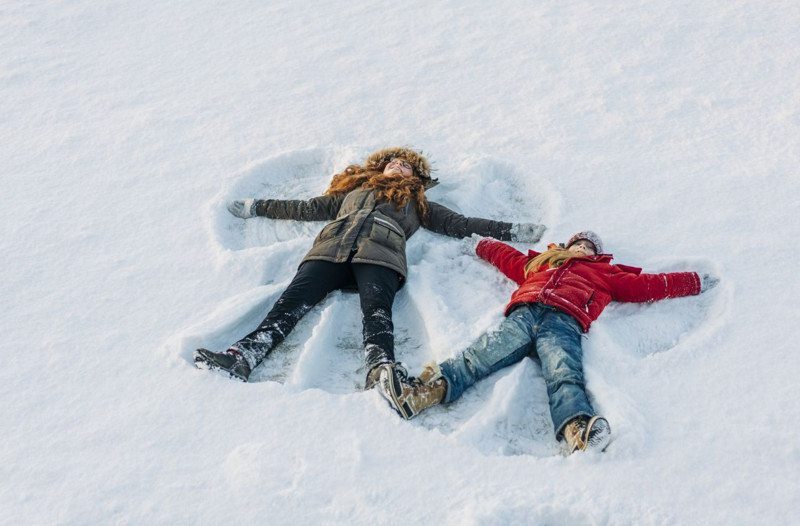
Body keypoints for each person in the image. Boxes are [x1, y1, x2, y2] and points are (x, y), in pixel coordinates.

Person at [193, 147, 546, 388]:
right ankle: (243, 356)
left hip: (382, 254)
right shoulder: (352, 193)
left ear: (416, 176)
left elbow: (461, 224)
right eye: (393, 162)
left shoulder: (417, 202)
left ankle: (380, 368)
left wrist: (512, 230)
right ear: (381, 167)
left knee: (377, 311)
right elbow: (304, 208)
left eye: (406, 165)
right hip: (330, 249)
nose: (398, 166)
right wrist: (256, 207)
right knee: (290, 303)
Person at [376, 231, 719, 454]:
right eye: (579, 244)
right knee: (478, 355)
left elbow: (649, 286)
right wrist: (480, 244)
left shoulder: (608, 274)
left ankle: (577, 431)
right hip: (523, 315)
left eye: (589, 247)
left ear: (597, 255)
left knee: (564, 372)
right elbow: (508, 258)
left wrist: (693, 281)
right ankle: (420, 394)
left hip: (564, 322)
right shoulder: (542, 264)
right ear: (567, 246)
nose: (583, 248)